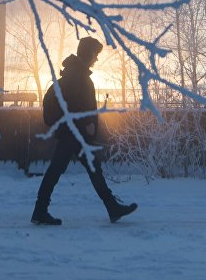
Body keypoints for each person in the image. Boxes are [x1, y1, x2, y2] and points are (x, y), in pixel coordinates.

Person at [31, 36, 138, 226]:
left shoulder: (76, 74)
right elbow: (74, 105)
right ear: (88, 53)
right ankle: (41, 210)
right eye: (95, 54)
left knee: (80, 169)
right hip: (73, 133)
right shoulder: (76, 76)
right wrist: (86, 124)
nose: (96, 59)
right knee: (65, 169)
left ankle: (110, 206)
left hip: (72, 132)